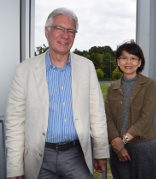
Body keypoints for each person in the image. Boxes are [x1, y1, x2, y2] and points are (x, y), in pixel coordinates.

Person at [5, 8, 109, 179]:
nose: (65, 35)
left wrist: (100, 151)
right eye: (59, 28)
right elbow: (15, 122)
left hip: (77, 157)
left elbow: (97, 113)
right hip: (39, 160)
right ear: (47, 31)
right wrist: (15, 167)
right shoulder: (24, 70)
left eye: (71, 31)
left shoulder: (87, 67)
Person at [105, 41, 156, 179]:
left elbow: (146, 118)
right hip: (117, 149)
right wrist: (117, 143)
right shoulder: (112, 88)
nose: (128, 61)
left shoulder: (149, 84)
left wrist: (122, 141)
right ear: (118, 62)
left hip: (142, 147)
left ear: (140, 62)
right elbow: (108, 117)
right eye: (123, 57)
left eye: (133, 58)